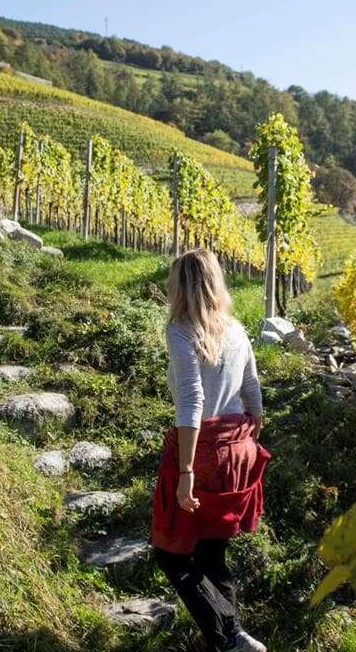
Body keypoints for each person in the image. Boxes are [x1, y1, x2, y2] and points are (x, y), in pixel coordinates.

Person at [151, 249, 270, 652]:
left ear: (179, 287)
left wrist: (185, 472)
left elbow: (191, 399)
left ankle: (227, 638)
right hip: (238, 447)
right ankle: (232, 639)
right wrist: (249, 438)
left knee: (172, 553)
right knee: (212, 552)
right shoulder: (236, 329)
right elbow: (252, 389)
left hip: (202, 451)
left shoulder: (183, 332)